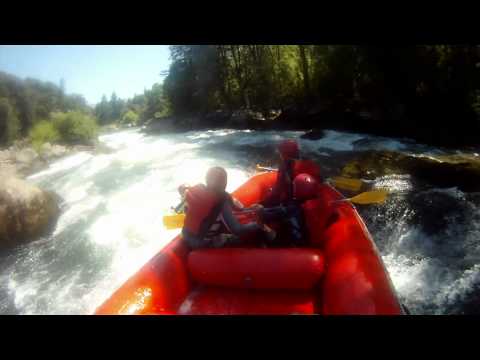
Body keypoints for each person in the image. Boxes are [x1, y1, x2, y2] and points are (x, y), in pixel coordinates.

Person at [181, 166, 276, 250]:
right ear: (224, 182)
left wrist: (249, 209)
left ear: (206, 179)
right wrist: (258, 225)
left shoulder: (196, 189)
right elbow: (237, 229)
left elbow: (188, 206)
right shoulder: (221, 200)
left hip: (186, 235)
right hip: (202, 244)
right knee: (241, 238)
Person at [258, 173, 319, 247]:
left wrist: (261, 211)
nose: (292, 187)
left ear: (298, 190)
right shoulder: (303, 205)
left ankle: (263, 246)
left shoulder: (293, 208)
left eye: (294, 186)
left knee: (260, 226)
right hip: (301, 239)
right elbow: (281, 210)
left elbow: (269, 214)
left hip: (291, 245)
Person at [262, 139, 322, 207]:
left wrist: (263, 204)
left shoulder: (285, 166)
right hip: (311, 202)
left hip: (293, 203)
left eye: (280, 153)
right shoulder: (310, 163)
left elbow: (278, 190)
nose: (280, 155)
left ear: (284, 154)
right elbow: (319, 181)